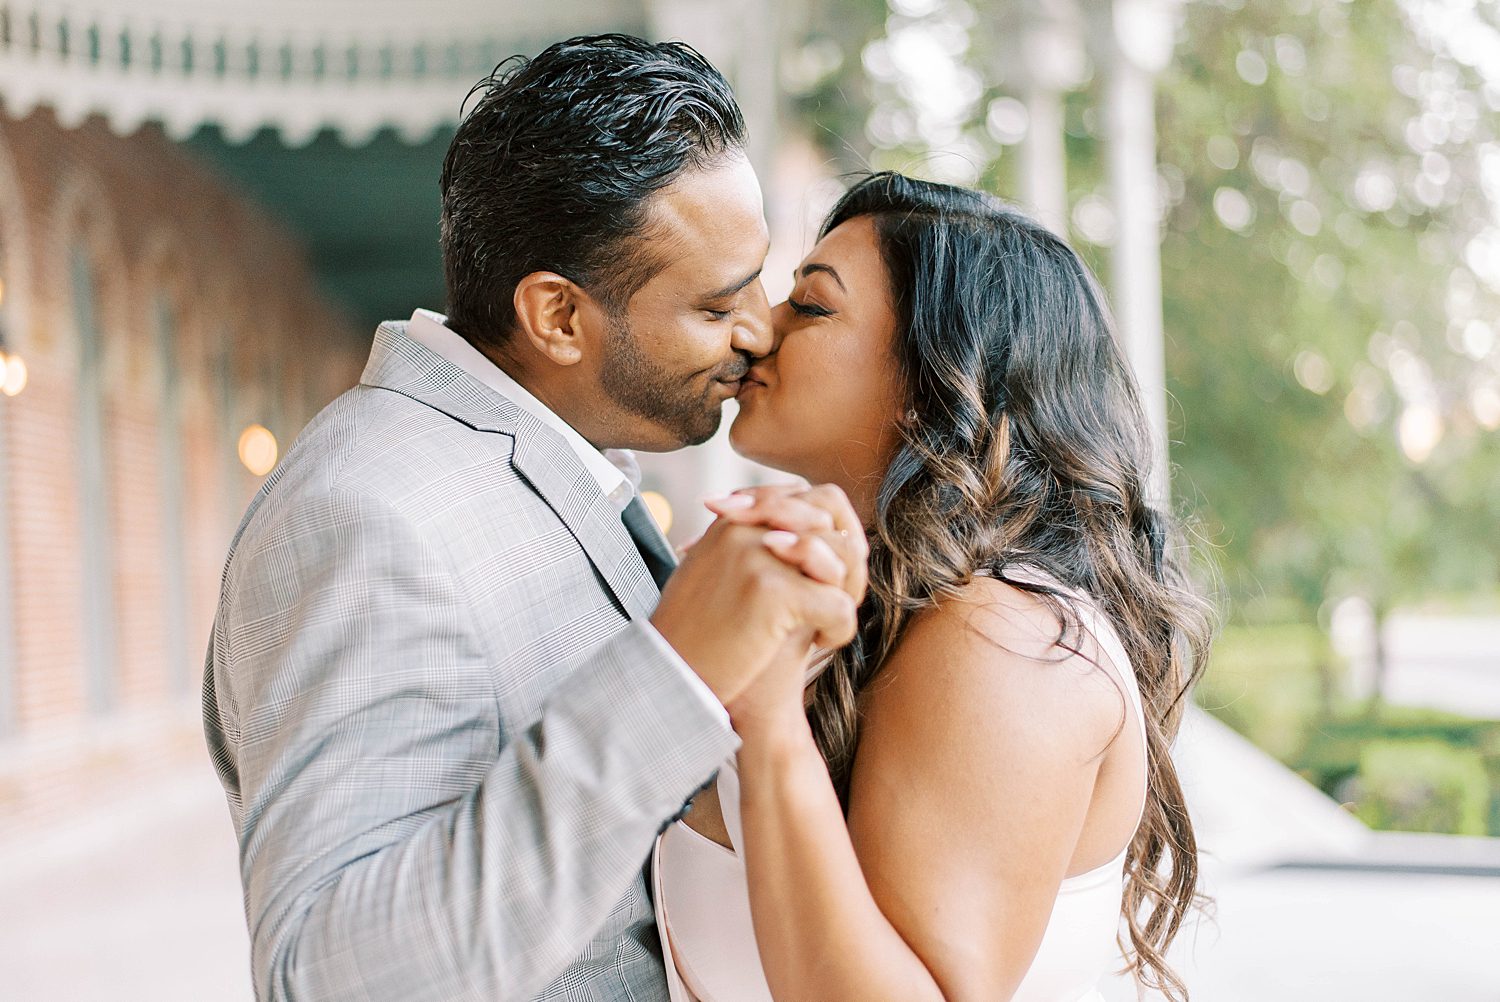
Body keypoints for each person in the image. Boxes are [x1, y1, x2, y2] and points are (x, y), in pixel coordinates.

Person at [203, 35, 864, 1001]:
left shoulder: (564, 467)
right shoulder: (368, 513)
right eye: (718, 303)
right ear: (558, 316)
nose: (762, 327)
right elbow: (328, 975)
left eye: (759, 281)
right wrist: (675, 673)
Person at [651, 172, 1214, 1002]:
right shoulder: (898, 618)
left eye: (809, 306)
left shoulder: (1007, 636)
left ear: (938, 378)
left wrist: (766, 718)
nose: (756, 329)